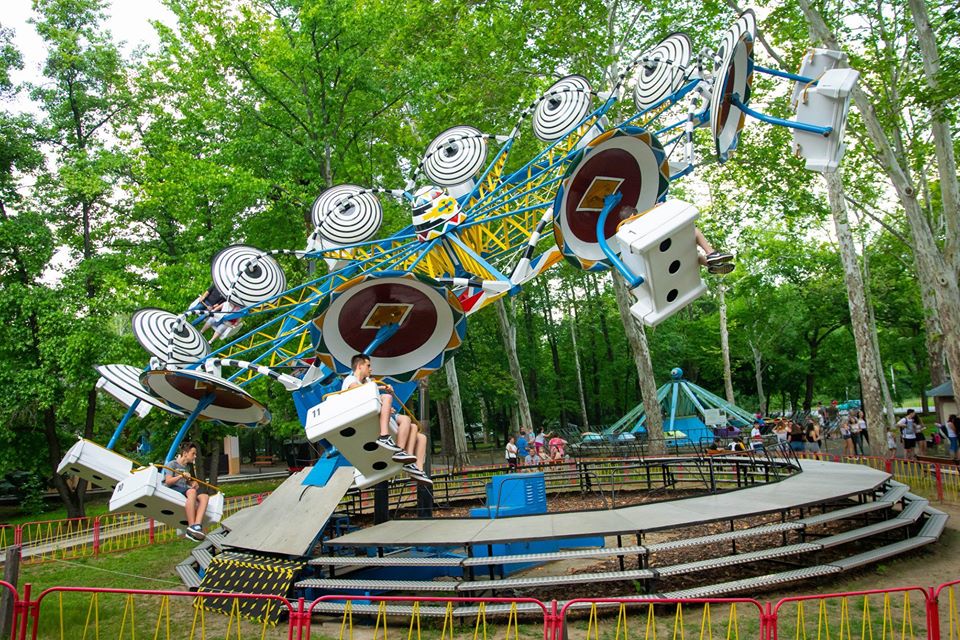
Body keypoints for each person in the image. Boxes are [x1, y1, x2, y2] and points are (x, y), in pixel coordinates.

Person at [342, 354, 431, 484]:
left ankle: (417, 468)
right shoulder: (350, 380)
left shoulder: (368, 382)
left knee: (421, 436)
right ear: (360, 366)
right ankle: (389, 440)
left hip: (378, 411)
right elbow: (358, 391)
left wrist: (385, 403)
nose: (371, 369)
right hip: (365, 414)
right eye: (368, 366)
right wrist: (382, 389)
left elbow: (373, 395)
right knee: (398, 410)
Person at [162, 441, 209, 541]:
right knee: (191, 492)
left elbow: (185, 482)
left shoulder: (186, 467)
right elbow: (168, 481)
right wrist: (180, 476)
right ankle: (191, 526)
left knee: (204, 497)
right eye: (193, 454)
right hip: (173, 488)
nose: (195, 456)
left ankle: (197, 525)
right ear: (185, 453)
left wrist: (192, 483)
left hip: (183, 489)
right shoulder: (172, 464)